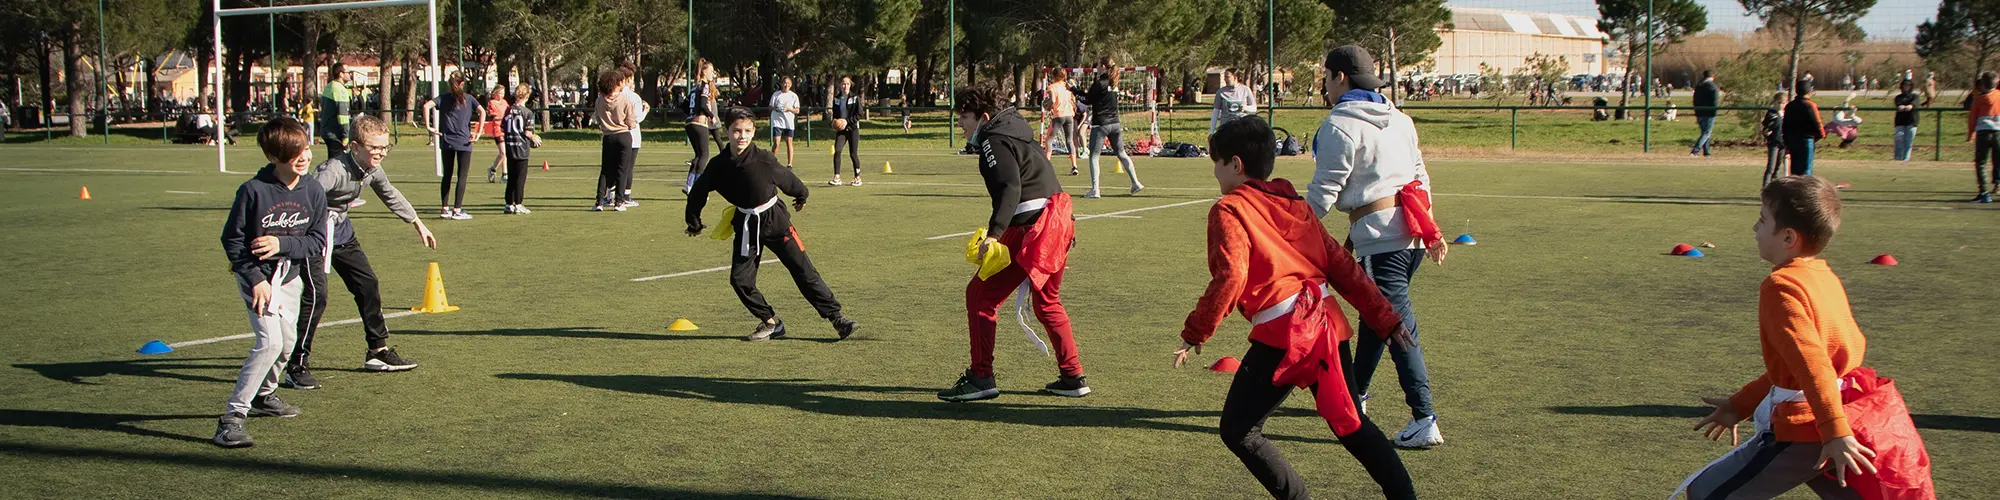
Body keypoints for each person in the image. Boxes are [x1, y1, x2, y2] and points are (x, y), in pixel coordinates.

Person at [1176, 116, 1418, 500]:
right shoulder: (1296, 204)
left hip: (1285, 332)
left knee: (1239, 429)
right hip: (1325, 324)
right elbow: (1342, 265)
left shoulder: (1230, 209)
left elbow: (1231, 276)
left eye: (1216, 163)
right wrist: (1385, 318)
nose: (1215, 172)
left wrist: (1196, 331)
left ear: (1235, 164)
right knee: (1351, 424)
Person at [1675, 175, 1934, 500]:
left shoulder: (1781, 287)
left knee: (1706, 493)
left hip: (1809, 428)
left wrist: (1834, 432)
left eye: (1761, 220)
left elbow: (1813, 367)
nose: (1754, 229)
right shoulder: (1823, 275)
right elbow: (1796, 366)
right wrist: (1740, 404)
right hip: (1839, 413)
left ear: (1787, 237)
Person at [1307, 45, 1447, 449]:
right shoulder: (1401, 119)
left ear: (1338, 77)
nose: (1325, 85)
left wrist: (1287, 231)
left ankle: (1423, 417)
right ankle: (1355, 396)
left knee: (1397, 327)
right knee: (1376, 319)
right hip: (1412, 237)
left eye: (1326, 76)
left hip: (1381, 240)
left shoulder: (1339, 125)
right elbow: (1421, 175)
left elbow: (1322, 195)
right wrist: (1430, 229)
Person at [935, 84, 1089, 402]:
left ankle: (981, 377)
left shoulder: (994, 138)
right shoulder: (1014, 131)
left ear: (984, 116)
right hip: (1057, 221)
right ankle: (1073, 376)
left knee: (979, 296)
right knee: (1047, 303)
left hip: (1033, 228)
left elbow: (1010, 189)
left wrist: (993, 234)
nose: (960, 123)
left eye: (964, 116)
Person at [283, 115, 435, 391]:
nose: (380, 153)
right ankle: (296, 365)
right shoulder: (333, 170)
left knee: (367, 284)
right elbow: (305, 197)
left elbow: (390, 194)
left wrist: (417, 223)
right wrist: (320, 216)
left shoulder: (372, 169)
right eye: (374, 148)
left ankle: (377, 351)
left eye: (384, 147)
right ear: (354, 147)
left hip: (342, 233)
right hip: (314, 236)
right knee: (317, 297)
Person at [684, 106, 859, 341]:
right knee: (740, 280)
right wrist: (694, 221)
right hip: (747, 225)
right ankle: (770, 322)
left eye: (747, 130)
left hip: (776, 221)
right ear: (727, 131)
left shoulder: (764, 158)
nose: (742, 136)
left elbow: (788, 179)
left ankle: (837, 319)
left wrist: (801, 195)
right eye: (736, 131)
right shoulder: (719, 165)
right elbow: (698, 191)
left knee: (803, 271)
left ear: (754, 131)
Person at [214, 117, 326, 448]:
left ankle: (264, 395)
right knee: (269, 343)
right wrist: (253, 279)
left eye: (306, 148)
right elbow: (232, 241)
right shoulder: (253, 191)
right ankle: (231, 419)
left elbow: (317, 240)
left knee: (288, 342)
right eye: (295, 153)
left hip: (289, 277)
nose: (304, 157)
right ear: (274, 157)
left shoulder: (313, 189)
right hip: (258, 279)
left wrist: (282, 245)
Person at [421, 72, 486, 220]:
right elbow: (482, 111)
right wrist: (479, 132)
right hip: (464, 142)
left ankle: (445, 209)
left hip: (447, 141)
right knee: (462, 176)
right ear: (462, 83)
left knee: (447, 176)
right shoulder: (468, 99)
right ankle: (457, 209)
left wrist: (428, 126)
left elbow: (426, 106)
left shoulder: (443, 98)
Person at [1083, 58, 1143, 198]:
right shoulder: (1113, 82)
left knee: (1094, 156)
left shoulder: (1100, 83)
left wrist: (1074, 90)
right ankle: (1135, 182)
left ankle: (1095, 189)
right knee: (1121, 153)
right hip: (1115, 123)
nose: (1096, 67)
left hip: (1101, 124)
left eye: (1098, 65)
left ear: (1103, 66)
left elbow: (1087, 99)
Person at [592, 69, 638, 211]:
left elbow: (598, 119)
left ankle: (599, 202)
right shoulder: (625, 100)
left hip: (608, 137)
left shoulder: (599, 100)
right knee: (622, 170)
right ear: (618, 83)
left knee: (605, 170)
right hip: (623, 135)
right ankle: (619, 201)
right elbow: (631, 122)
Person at [500, 84, 543, 214]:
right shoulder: (527, 112)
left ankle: (508, 203)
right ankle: (518, 203)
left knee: (511, 176)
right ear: (527, 96)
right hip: (521, 148)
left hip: (510, 146)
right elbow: (527, 132)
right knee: (520, 177)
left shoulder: (508, 110)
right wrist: (534, 139)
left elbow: (502, 128)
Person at [685, 60, 719, 194]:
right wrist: (712, 115)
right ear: (704, 71)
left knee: (698, 155)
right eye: (711, 71)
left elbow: (683, 104)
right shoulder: (704, 86)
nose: (713, 74)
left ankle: (688, 185)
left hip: (689, 122)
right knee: (704, 154)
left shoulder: (695, 87)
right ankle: (697, 186)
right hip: (699, 123)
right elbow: (704, 104)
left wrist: (691, 113)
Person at [618, 67, 649, 206]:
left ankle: (610, 195)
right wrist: (646, 111)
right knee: (628, 167)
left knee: (617, 166)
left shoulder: (614, 95)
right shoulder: (633, 97)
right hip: (632, 135)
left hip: (616, 133)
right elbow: (637, 118)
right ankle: (625, 196)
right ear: (628, 79)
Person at [1967, 72, 2000, 203]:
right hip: (1998, 133)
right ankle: (1997, 184)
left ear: (1982, 85)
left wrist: (1971, 134)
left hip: (1983, 133)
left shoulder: (1978, 99)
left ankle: (1984, 193)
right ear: (1996, 83)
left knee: (1981, 163)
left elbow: (1972, 118)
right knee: (1998, 162)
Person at [1042, 69, 1082, 176]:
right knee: (1069, 140)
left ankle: (1047, 165)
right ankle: (1074, 166)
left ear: (1054, 76)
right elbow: (1073, 100)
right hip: (1069, 115)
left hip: (1059, 115)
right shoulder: (1068, 86)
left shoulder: (1052, 87)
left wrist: (1045, 104)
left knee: (1049, 140)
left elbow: (1052, 101)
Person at [1782, 79, 1825, 176]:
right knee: (1806, 170)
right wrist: (1821, 135)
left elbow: (1785, 125)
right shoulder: (1810, 105)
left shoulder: (1790, 105)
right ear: (1809, 91)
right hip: (1806, 140)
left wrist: (1786, 140)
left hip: (1792, 140)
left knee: (1795, 170)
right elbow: (1817, 123)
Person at [828, 76, 864, 186]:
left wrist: (847, 121)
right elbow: (835, 115)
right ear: (840, 85)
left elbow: (860, 114)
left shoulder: (855, 97)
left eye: (847, 84)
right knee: (837, 150)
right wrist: (835, 122)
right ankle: (837, 176)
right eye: (843, 84)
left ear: (850, 85)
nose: (845, 86)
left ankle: (857, 177)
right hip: (842, 130)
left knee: (853, 154)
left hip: (852, 129)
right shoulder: (837, 99)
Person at [318, 64, 354, 158]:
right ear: (341, 74)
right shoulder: (339, 89)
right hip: (335, 134)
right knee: (337, 165)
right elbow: (343, 116)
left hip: (327, 131)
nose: (350, 74)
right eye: (348, 72)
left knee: (333, 163)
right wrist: (346, 137)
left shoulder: (329, 86)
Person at [1210, 68, 1259, 134]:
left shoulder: (1245, 90)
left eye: (1227, 77)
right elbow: (1216, 111)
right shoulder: (1220, 92)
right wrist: (1211, 132)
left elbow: (1254, 108)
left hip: (1242, 128)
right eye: (1224, 77)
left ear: (1235, 78)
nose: (1224, 79)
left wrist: (1245, 108)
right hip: (1226, 128)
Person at [768, 76, 801, 168]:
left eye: (788, 83)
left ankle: (789, 164)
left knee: (789, 142)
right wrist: (776, 108)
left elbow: (797, 110)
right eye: (785, 83)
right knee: (776, 142)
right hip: (777, 122)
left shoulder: (793, 96)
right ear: (781, 84)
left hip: (788, 122)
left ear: (791, 85)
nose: (786, 85)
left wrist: (789, 109)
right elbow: (770, 107)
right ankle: (772, 163)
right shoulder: (776, 95)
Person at [1761, 92, 1788, 187]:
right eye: (1779, 102)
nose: (1781, 105)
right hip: (1773, 143)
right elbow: (1767, 126)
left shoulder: (1787, 114)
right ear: (1775, 103)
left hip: (1783, 143)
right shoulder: (1771, 114)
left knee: (1778, 166)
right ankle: (1765, 187)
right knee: (1771, 167)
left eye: (1783, 103)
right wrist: (1766, 132)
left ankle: (1774, 186)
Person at [484, 87, 511, 183]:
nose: (502, 95)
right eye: (500, 93)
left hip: (506, 129)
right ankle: (493, 169)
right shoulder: (492, 103)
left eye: (503, 93)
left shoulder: (504, 102)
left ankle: (504, 174)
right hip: (497, 129)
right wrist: (502, 118)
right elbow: (492, 117)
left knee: (505, 153)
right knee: (502, 152)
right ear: (495, 93)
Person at [1691, 70, 1719, 157]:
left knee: (1704, 132)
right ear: (1712, 77)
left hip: (1699, 112)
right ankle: (1696, 149)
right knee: (1707, 132)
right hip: (1709, 113)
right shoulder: (1713, 87)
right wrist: (1714, 112)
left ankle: (1707, 152)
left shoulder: (1699, 86)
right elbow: (1715, 101)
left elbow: (1695, 100)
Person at [1892, 79, 1921, 162]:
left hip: (1911, 121)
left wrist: (1911, 106)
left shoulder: (1915, 96)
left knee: (1908, 142)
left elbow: (1915, 103)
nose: (1906, 87)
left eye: (1908, 85)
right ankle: (1898, 158)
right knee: (1899, 140)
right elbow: (1898, 104)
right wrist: (1902, 107)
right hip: (1900, 122)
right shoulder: (1898, 97)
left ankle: (1906, 159)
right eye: (1904, 85)